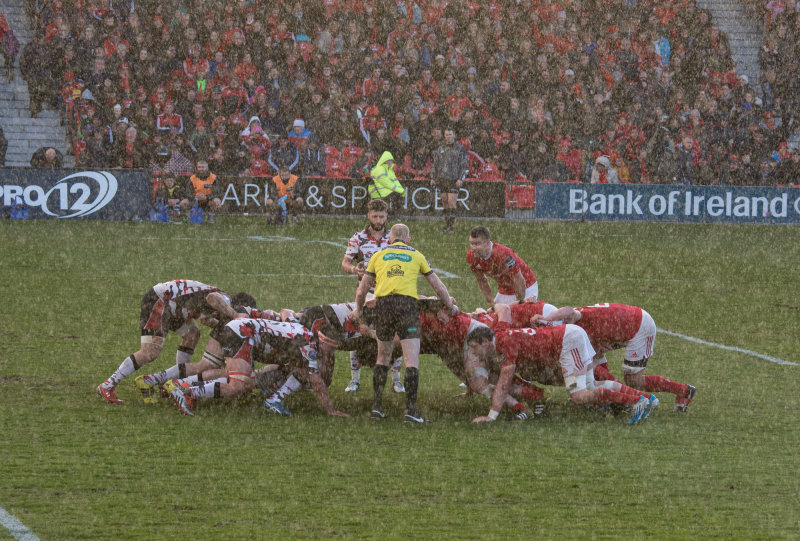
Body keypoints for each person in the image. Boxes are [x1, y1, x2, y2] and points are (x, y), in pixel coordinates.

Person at [473, 304, 658, 425]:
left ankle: (637, 401)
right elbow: (503, 308)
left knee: (578, 396)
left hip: (568, 341)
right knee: (591, 386)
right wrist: (490, 308)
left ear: (485, 342)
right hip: (572, 335)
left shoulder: (504, 346)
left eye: (475, 348)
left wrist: (491, 416)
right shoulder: (499, 332)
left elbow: (504, 384)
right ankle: (642, 398)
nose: (474, 353)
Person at [349, 224, 458, 423]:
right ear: (408, 240)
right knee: (411, 360)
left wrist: (358, 310)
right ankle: (411, 411)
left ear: (389, 240)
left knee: (382, 358)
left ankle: (377, 408)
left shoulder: (378, 255)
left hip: (384, 306)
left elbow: (362, 289)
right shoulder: (416, 255)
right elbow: (438, 286)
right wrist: (449, 306)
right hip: (407, 306)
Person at [166, 318, 348, 418]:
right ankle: (185, 391)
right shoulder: (309, 344)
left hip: (240, 331)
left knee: (239, 379)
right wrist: (330, 410)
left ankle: (274, 400)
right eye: (331, 348)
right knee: (239, 385)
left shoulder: (306, 337)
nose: (331, 353)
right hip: (242, 335)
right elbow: (316, 381)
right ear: (323, 341)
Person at [97, 280, 242, 404]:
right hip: (161, 301)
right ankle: (108, 385)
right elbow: (212, 298)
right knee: (149, 352)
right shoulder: (226, 300)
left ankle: (175, 382)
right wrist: (236, 316)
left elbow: (205, 319)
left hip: (173, 307)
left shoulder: (221, 308)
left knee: (192, 334)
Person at [535, 303, 696, 412]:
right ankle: (615, 400)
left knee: (633, 380)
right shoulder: (576, 329)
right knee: (594, 364)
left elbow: (568, 311)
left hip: (639, 328)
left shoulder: (573, 322)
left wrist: (546, 319)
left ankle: (680, 391)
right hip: (618, 329)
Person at [340, 198, 404, 394]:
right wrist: (353, 269)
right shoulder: (358, 238)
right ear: (368, 216)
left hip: (389, 292)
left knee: (394, 333)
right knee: (358, 331)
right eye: (375, 216)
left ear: (387, 216)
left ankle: (397, 380)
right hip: (365, 293)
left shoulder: (393, 238)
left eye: (382, 216)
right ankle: (355, 379)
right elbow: (345, 263)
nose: (378, 220)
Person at [466, 226, 539, 308]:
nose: (473, 248)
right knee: (494, 317)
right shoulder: (471, 257)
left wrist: (519, 305)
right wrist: (491, 303)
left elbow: (519, 279)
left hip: (526, 286)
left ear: (487, 243)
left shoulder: (503, 254)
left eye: (477, 244)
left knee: (519, 317)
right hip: (505, 289)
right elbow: (481, 280)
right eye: (472, 243)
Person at [431, 128, 468, 233]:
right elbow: (436, 164)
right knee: (444, 201)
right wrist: (433, 177)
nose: (448, 136)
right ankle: (447, 224)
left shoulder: (460, 149)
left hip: (454, 179)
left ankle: (451, 226)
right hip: (442, 179)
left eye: (450, 134)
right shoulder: (440, 148)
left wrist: (461, 178)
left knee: (451, 201)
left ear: (454, 135)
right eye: (446, 134)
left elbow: (464, 165)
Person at [368, 151, 405, 217]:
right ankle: (395, 215)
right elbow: (385, 182)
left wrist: (401, 189)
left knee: (398, 195)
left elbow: (395, 181)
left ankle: (396, 215)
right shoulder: (379, 169)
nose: (391, 162)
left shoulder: (389, 170)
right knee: (397, 196)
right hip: (378, 191)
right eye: (390, 160)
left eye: (391, 160)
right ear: (385, 161)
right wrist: (399, 190)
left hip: (385, 190)